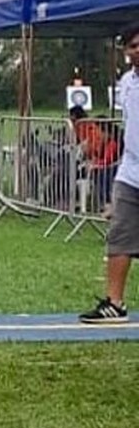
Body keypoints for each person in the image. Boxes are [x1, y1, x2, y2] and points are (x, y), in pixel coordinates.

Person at [79, 23, 139, 323]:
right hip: (130, 172)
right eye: (132, 45)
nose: (137, 49)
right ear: (126, 51)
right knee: (119, 236)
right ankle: (115, 303)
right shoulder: (127, 82)